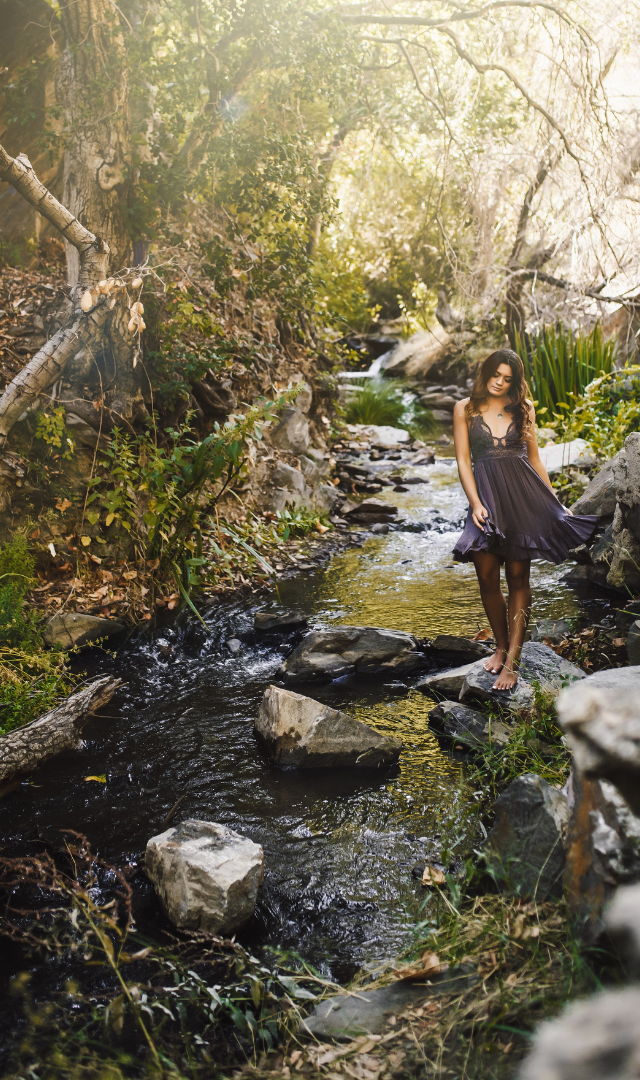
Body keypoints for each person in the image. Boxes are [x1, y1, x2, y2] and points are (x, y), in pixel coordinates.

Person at [452, 348, 597, 690]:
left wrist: (555, 505)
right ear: (485, 373)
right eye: (495, 376)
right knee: (486, 576)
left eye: (507, 378)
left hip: (523, 497)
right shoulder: (464, 409)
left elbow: (535, 459)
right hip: (485, 497)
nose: (500, 383)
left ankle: (513, 660)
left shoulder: (524, 408)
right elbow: (462, 461)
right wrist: (475, 503)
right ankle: (500, 646)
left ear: (516, 382)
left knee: (518, 578)